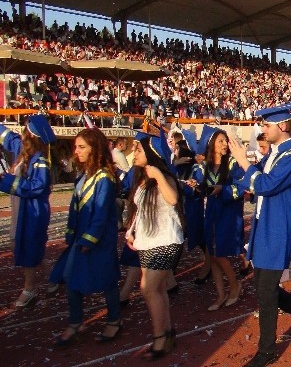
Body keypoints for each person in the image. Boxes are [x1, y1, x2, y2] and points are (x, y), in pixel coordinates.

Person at [227, 103, 291, 367]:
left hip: (278, 228)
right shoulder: (276, 153)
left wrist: (243, 161)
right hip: (266, 225)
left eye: (267, 125)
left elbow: (264, 184)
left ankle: (266, 351)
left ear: (283, 126)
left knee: (265, 291)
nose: (262, 129)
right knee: (263, 286)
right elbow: (250, 179)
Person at [53, 128, 122, 347]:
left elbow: (101, 213)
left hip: (99, 239)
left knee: (107, 280)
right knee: (72, 279)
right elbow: (76, 209)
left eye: (82, 147)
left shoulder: (105, 178)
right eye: (76, 146)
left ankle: (114, 320)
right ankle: (76, 322)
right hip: (81, 238)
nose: (77, 151)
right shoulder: (83, 176)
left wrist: (89, 240)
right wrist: (72, 234)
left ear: (96, 149)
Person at [125, 132, 184, 359]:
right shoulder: (142, 179)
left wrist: (158, 175)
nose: (134, 153)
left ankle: (160, 337)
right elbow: (140, 211)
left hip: (165, 241)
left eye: (138, 149)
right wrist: (131, 232)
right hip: (148, 241)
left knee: (148, 289)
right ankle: (166, 332)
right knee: (156, 290)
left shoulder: (163, 177)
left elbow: (173, 199)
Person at [0, 115, 55, 308]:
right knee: (17, 245)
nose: (20, 134)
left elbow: (37, 186)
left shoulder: (40, 160)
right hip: (20, 206)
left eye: (24, 131)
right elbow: (6, 136)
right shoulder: (20, 151)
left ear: (30, 136)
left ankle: (30, 288)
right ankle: (53, 274)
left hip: (32, 210)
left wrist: (4, 180)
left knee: (27, 246)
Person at [198, 125, 245, 310]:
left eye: (225, 141)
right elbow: (200, 189)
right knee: (212, 252)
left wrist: (222, 190)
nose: (225, 144)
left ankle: (234, 286)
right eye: (221, 141)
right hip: (211, 211)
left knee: (219, 254)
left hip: (227, 212)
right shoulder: (205, 166)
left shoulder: (233, 164)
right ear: (212, 144)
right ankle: (220, 294)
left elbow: (242, 187)